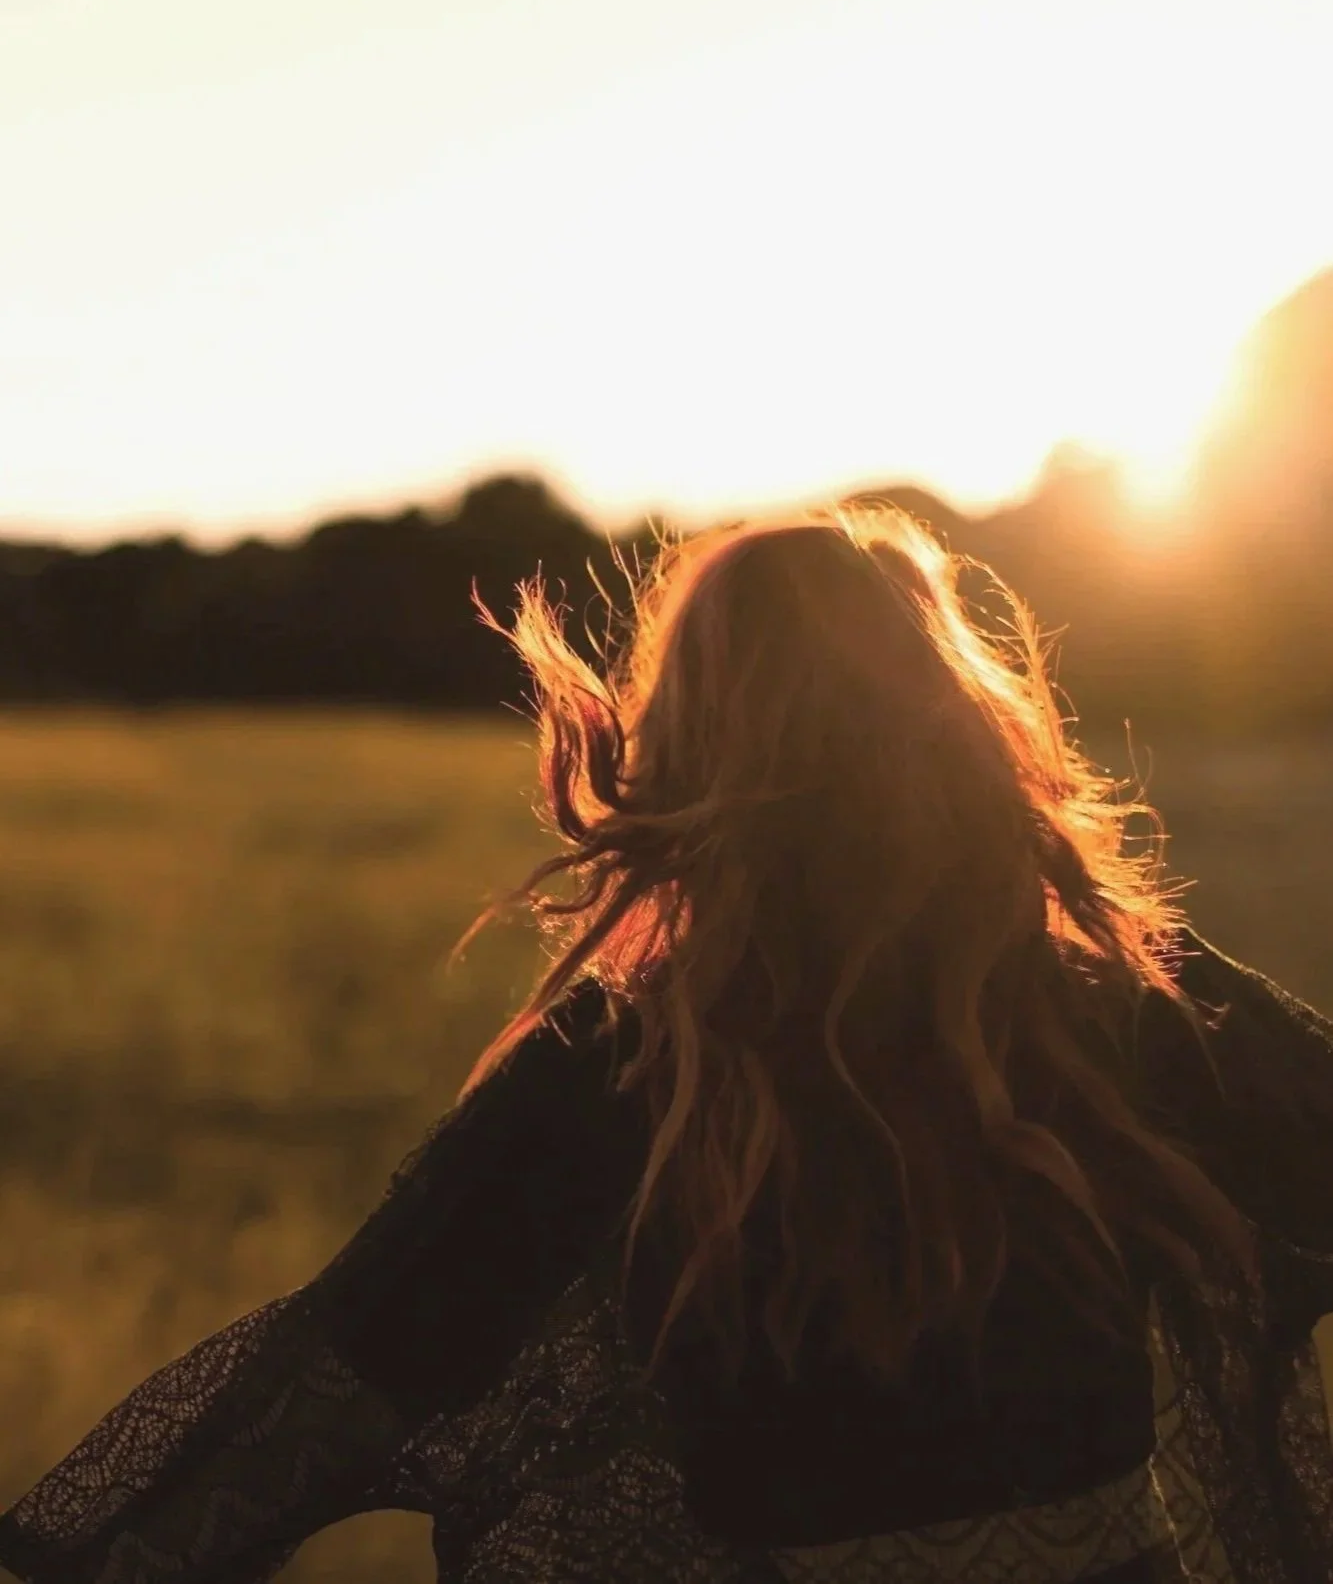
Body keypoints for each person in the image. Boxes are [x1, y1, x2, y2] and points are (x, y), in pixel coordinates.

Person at [1, 501, 1332, 1583]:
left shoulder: (620, 1066)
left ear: (691, 746)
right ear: (956, 727)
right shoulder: (1109, 1000)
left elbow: (329, 1387)